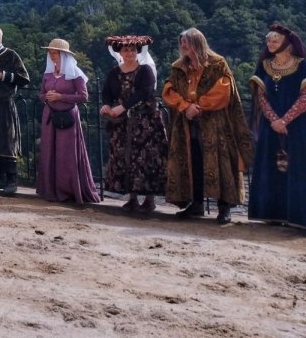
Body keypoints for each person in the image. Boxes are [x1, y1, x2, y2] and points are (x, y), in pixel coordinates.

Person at [162, 27, 253, 224]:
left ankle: (224, 207)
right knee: (193, 161)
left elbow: (224, 90)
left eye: (186, 42)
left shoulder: (217, 64)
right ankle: (196, 204)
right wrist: (186, 106)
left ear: (197, 42)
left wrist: (200, 106)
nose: (183, 46)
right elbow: (169, 90)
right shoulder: (178, 67)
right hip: (187, 124)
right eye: (182, 43)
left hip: (215, 124)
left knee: (220, 163)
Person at [247, 24, 306, 228]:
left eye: (275, 40)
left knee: (298, 167)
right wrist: (274, 120)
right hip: (271, 126)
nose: (270, 44)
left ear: (287, 45)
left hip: (298, 126)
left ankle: (297, 216)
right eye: (268, 40)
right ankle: (271, 213)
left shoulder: (302, 65)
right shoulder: (264, 65)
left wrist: (285, 120)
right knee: (270, 166)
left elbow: (305, 97)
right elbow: (261, 96)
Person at [100, 35, 167, 214]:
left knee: (146, 157)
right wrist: (106, 104)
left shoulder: (145, 70)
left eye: (132, 49)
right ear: (120, 52)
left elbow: (145, 93)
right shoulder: (114, 72)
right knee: (125, 157)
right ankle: (132, 198)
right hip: (122, 123)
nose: (129, 53)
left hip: (145, 121)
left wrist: (123, 106)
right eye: (125, 50)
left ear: (137, 51)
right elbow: (106, 92)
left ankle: (149, 199)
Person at [35, 39, 100, 204]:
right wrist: (47, 96)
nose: (52, 56)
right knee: (49, 151)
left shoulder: (75, 73)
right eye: (50, 53)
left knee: (66, 154)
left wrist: (61, 97)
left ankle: (68, 190)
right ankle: (50, 189)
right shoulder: (48, 74)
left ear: (63, 55)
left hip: (67, 117)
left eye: (55, 53)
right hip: (50, 115)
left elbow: (84, 96)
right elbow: (40, 94)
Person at [0, 24, 30, 195]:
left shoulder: (10, 55)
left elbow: (24, 78)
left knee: (7, 141)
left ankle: (12, 180)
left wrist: (2, 75)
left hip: (4, 104)